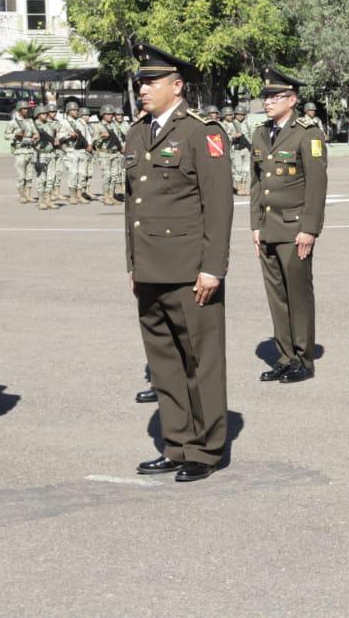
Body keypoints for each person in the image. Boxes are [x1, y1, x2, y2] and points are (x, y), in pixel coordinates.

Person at [125, 43, 233, 482]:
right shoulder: (137, 133)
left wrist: (213, 267)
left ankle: (205, 450)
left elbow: (218, 205)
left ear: (177, 86)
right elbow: (133, 207)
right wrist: (132, 263)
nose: (143, 89)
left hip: (190, 271)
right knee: (165, 363)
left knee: (200, 361)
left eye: (151, 82)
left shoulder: (201, 132)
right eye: (141, 83)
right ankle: (176, 442)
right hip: (149, 268)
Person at [251, 67, 328, 384]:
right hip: (268, 228)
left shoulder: (307, 133)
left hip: (294, 228)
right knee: (276, 297)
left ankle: (303, 359)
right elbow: (256, 183)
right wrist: (255, 225)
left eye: (274, 97)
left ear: (292, 99)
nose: (267, 102)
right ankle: (284, 356)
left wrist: (309, 229)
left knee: (297, 296)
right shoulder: (259, 133)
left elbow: (316, 185)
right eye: (265, 97)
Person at [3, 103, 38, 204]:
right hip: (20, 151)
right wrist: (15, 134)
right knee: (21, 175)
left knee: (29, 175)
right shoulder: (13, 122)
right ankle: (22, 195)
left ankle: (28, 195)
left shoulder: (30, 121)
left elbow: (36, 132)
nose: (26, 110)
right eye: (24, 109)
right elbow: (6, 135)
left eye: (27, 109)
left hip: (30, 150)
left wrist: (36, 136)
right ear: (19, 110)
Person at [59, 105, 92, 204]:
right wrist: (69, 135)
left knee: (82, 174)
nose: (76, 111)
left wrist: (89, 144)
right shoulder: (64, 123)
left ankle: (79, 195)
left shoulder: (80, 122)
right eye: (73, 110)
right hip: (71, 151)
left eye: (77, 110)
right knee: (73, 174)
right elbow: (59, 137)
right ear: (68, 111)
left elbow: (87, 135)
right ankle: (72, 196)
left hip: (82, 151)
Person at [96, 106, 125, 205]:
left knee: (114, 176)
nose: (110, 116)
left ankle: (112, 196)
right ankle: (106, 196)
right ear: (102, 115)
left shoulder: (114, 125)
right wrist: (101, 137)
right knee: (107, 176)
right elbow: (94, 142)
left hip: (114, 153)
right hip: (104, 154)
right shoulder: (98, 126)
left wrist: (121, 147)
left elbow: (118, 138)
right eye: (108, 114)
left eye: (112, 114)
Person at [32, 105, 59, 210]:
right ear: (37, 115)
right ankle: (41, 201)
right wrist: (33, 139)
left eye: (46, 113)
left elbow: (54, 135)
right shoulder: (33, 125)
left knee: (51, 178)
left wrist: (56, 139)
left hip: (51, 153)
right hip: (40, 154)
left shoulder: (50, 124)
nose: (45, 115)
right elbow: (27, 139)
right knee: (41, 178)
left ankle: (48, 200)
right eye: (42, 114)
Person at [227, 107, 251, 195]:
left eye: (242, 114)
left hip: (246, 149)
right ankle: (239, 187)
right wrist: (233, 136)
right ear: (235, 115)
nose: (240, 116)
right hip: (236, 149)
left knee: (246, 169)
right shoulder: (231, 124)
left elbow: (251, 135)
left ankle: (244, 187)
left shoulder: (247, 124)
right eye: (238, 114)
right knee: (237, 169)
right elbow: (226, 136)